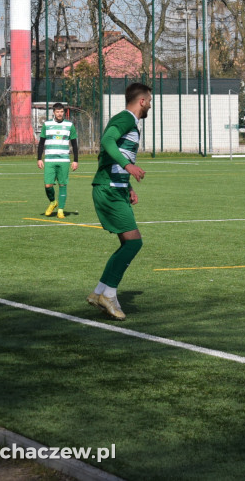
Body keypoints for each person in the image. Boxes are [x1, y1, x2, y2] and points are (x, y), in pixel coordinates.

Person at [87, 83, 151, 321]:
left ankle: (100, 292)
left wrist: (129, 185)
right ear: (142, 101)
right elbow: (106, 142)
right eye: (150, 100)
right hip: (110, 189)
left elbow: (111, 154)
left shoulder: (129, 123)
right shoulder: (125, 119)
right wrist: (128, 167)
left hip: (117, 188)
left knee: (128, 243)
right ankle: (109, 295)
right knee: (134, 243)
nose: (151, 105)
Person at [36, 103, 78, 219]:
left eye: (61, 112)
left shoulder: (69, 125)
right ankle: (53, 202)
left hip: (64, 160)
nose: (60, 114)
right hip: (49, 159)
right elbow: (41, 143)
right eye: (57, 112)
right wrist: (39, 158)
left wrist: (75, 160)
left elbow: (74, 144)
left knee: (62, 185)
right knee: (48, 185)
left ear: (63, 112)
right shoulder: (47, 124)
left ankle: (60, 210)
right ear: (53, 112)